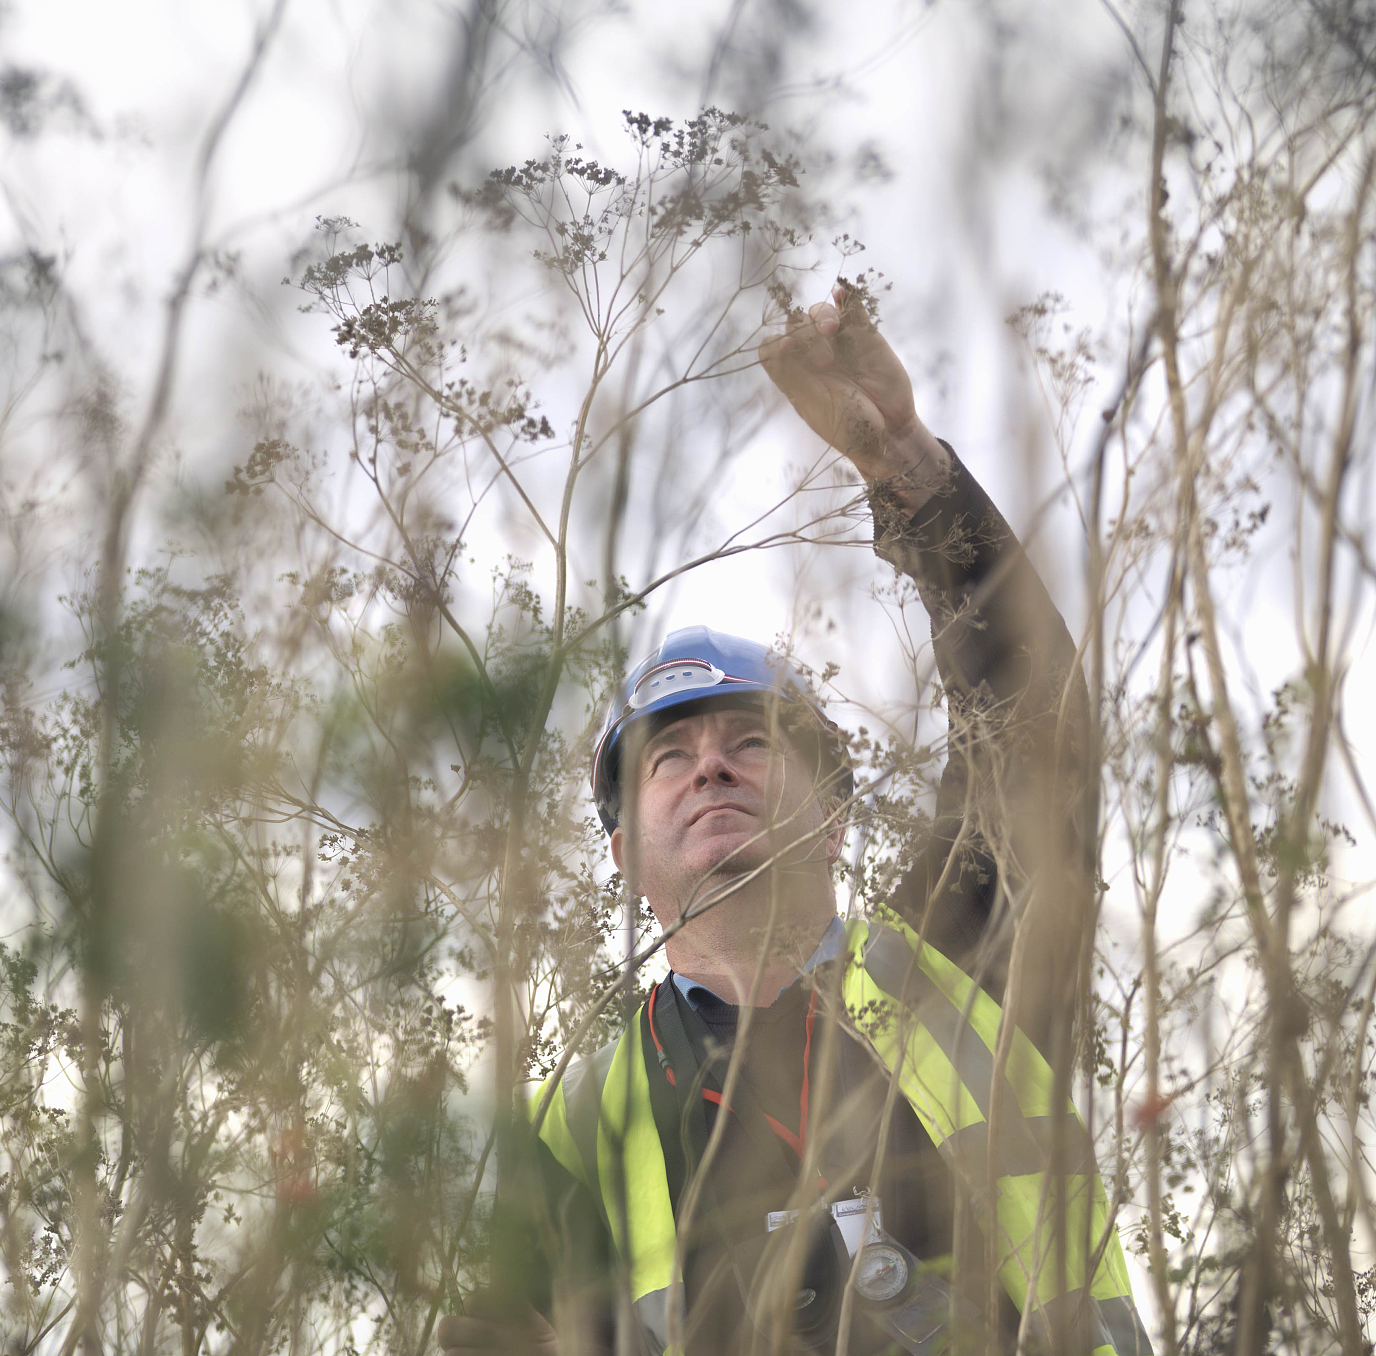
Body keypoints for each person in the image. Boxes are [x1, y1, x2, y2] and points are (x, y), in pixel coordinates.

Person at [439, 288, 1149, 1356]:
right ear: (625, 856)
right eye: (667, 759)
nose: (710, 765)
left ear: (833, 817)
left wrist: (906, 467)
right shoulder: (564, 1135)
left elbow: (1033, 732)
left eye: (754, 742)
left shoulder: (957, 961)